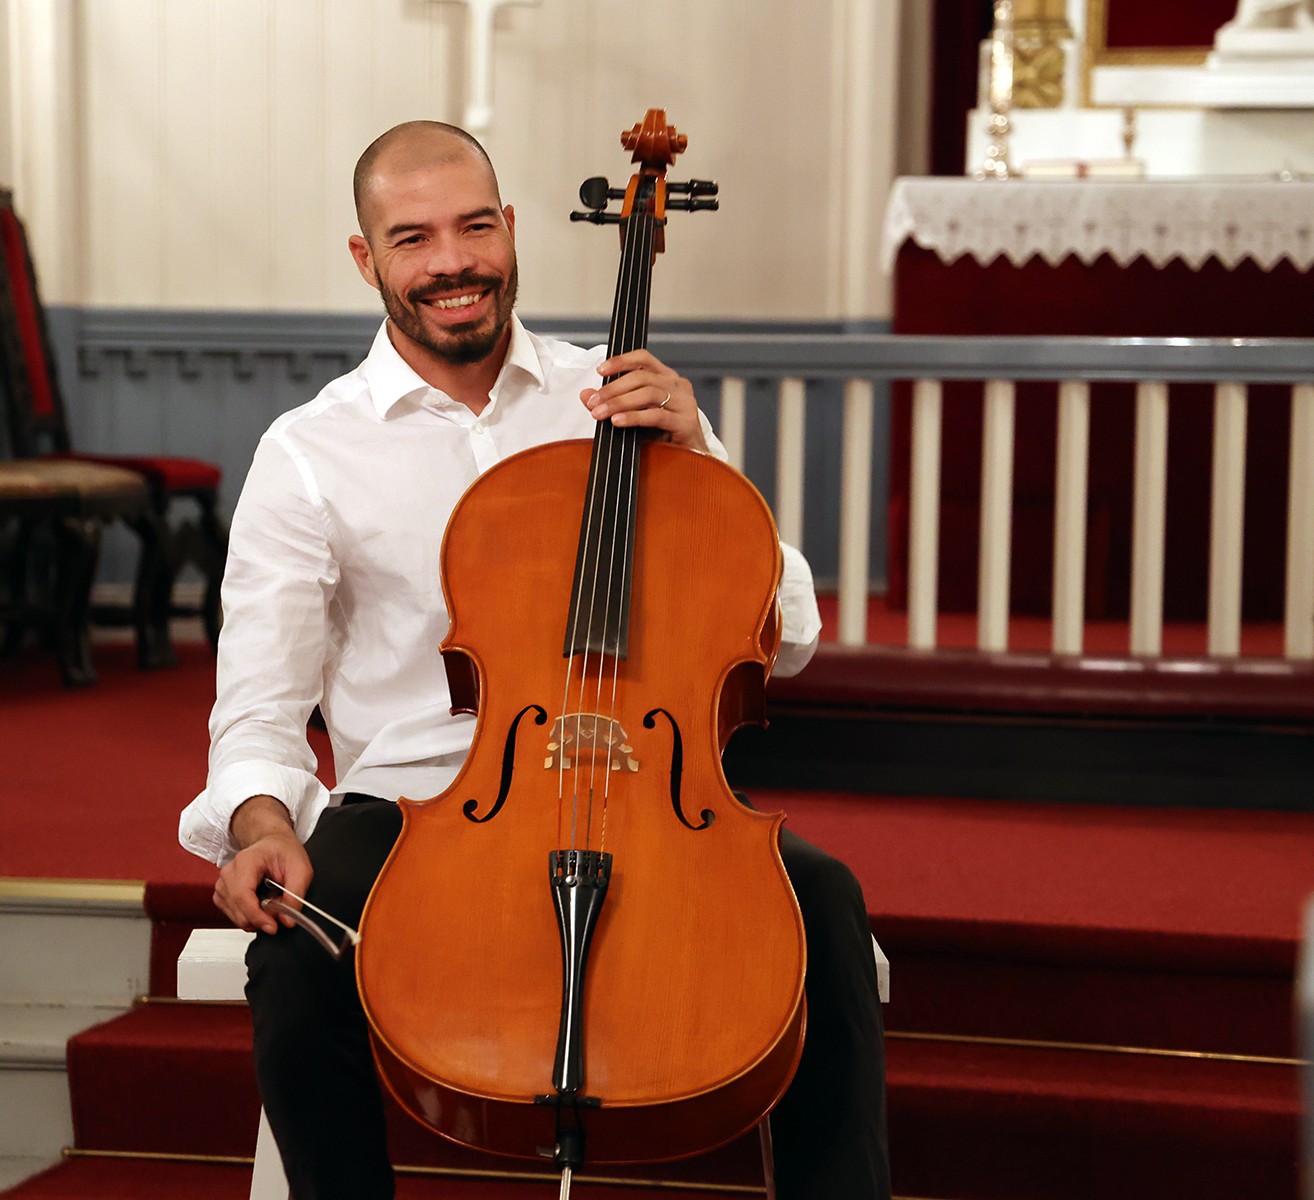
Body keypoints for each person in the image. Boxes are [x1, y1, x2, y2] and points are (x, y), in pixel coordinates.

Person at [179, 120, 888, 1200]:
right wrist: (263, 826)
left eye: (474, 228)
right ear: (368, 260)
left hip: (643, 781)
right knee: (295, 955)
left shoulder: (619, 397)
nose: (452, 262)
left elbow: (784, 637)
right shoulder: (309, 453)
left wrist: (697, 454)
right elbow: (259, 711)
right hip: (417, 806)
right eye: (412, 239)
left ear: (511, 232)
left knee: (822, 908)